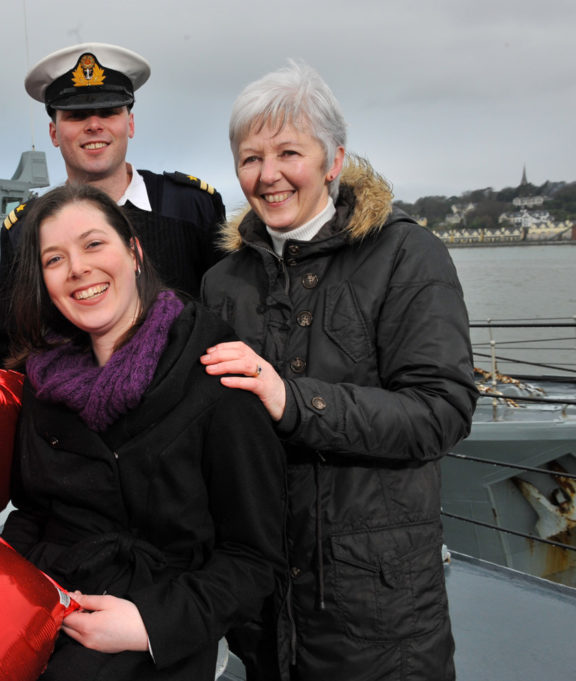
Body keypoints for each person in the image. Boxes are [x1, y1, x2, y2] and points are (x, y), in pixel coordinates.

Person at [200, 61, 478, 681]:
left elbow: (441, 412)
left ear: (333, 160)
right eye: (250, 158)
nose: (267, 176)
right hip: (264, 607)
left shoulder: (407, 255)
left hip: (379, 614)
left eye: (288, 153)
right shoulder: (223, 282)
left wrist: (292, 399)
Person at [0, 183, 286, 680]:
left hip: (160, 626)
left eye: (93, 244)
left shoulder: (215, 373)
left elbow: (254, 557)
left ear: (133, 252)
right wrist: (12, 590)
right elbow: (32, 510)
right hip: (53, 606)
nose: (78, 270)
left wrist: (149, 624)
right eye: (54, 259)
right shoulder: (43, 384)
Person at [0, 42, 226, 369]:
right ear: (54, 132)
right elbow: (10, 351)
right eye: (77, 115)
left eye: (109, 111)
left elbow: (227, 318)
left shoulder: (191, 207)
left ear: (129, 124)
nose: (94, 125)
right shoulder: (26, 228)